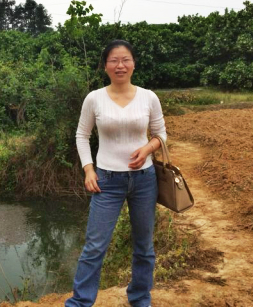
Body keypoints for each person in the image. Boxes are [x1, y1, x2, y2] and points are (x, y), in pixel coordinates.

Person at [65, 40, 166, 307]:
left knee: (144, 247)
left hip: (144, 180)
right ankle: (80, 302)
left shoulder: (149, 97)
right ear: (105, 66)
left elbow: (161, 135)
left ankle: (140, 298)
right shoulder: (94, 98)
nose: (120, 65)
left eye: (125, 60)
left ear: (133, 64)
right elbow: (82, 135)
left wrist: (147, 149)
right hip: (106, 180)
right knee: (95, 247)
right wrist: (88, 169)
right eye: (113, 60)